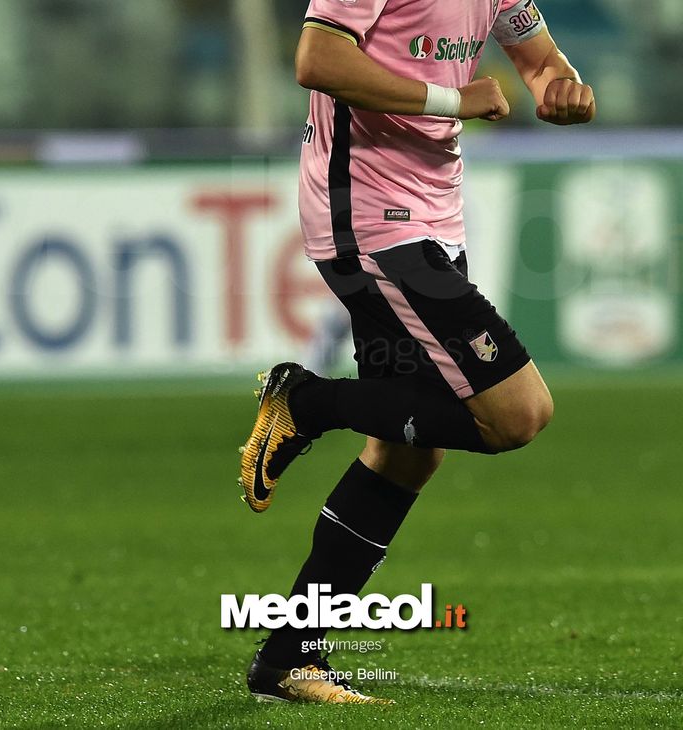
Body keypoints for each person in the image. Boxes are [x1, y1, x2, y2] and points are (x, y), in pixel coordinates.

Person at [238, 0, 595, 704]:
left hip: (431, 218)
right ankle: (305, 400)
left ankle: (291, 657)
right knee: (516, 413)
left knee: (407, 450)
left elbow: (540, 56)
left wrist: (560, 85)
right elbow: (317, 59)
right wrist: (450, 99)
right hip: (370, 218)